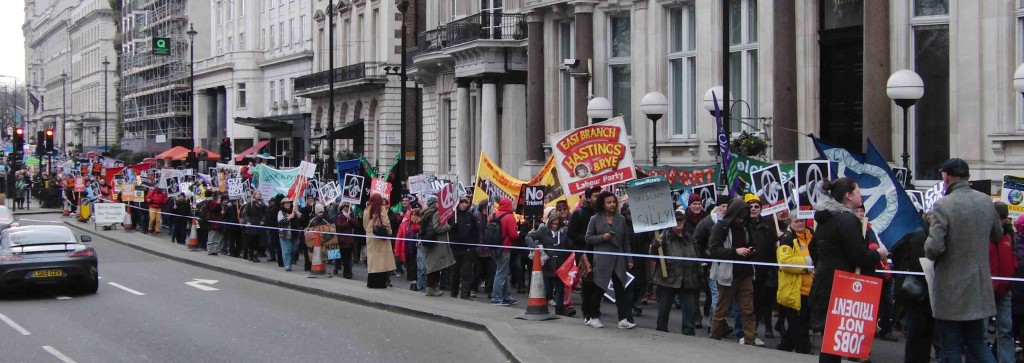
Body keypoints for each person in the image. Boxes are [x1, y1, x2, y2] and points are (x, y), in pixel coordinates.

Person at [923, 159, 1002, 363]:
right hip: (979, 287)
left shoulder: (943, 204)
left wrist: (931, 228)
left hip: (951, 290)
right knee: (978, 344)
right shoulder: (986, 201)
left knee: (951, 348)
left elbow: (933, 249)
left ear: (946, 177)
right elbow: (998, 233)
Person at [809, 178, 888, 363]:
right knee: (835, 342)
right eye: (858, 191)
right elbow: (858, 255)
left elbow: (813, 247)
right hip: (842, 286)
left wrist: (824, 265)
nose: (861, 195)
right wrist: (878, 255)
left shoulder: (826, 218)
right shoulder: (847, 219)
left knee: (831, 341)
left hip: (826, 280)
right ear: (848, 195)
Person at [707, 197, 758, 345]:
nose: (741, 220)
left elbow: (753, 244)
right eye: (739, 216)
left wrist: (751, 251)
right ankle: (714, 338)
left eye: (744, 217)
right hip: (727, 275)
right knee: (721, 309)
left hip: (745, 274)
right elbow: (714, 250)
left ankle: (750, 340)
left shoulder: (746, 227)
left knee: (748, 310)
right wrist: (736, 251)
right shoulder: (720, 227)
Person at [584, 191, 636, 329]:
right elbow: (588, 238)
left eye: (614, 202)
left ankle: (623, 319)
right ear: (602, 204)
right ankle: (593, 317)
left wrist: (629, 258)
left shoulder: (621, 219)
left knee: (620, 288)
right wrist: (602, 238)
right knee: (599, 288)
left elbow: (626, 242)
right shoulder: (595, 219)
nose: (612, 204)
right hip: (602, 257)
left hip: (618, 258)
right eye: (609, 202)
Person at [650, 210, 702, 335]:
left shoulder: (690, 237)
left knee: (689, 309)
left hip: (688, 279)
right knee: (664, 308)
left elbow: (697, 256)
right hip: (668, 278)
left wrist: (699, 273)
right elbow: (653, 257)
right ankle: (661, 331)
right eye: (676, 220)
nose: (678, 222)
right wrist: (655, 247)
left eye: (681, 220)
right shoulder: (663, 237)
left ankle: (689, 333)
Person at [892, 213, 934, 363]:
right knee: (918, 335)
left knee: (920, 335)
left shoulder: (919, 235)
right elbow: (920, 267)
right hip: (918, 293)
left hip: (918, 293)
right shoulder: (920, 238)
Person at [775, 212, 814, 354]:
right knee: (801, 331)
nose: (800, 223)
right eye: (797, 221)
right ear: (789, 222)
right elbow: (784, 262)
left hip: (810, 291)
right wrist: (808, 263)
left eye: (803, 220)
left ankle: (782, 349)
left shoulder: (812, 235)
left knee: (798, 327)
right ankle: (805, 354)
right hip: (794, 291)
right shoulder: (787, 239)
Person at [744, 194, 780, 340]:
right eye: (750, 207)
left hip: (766, 268)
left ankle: (768, 327)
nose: (753, 209)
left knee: (765, 299)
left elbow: (772, 246)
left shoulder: (767, 225)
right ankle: (750, 330)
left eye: (756, 206)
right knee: (749, 301)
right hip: (749, 268)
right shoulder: (743, 225)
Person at [526, 210, 570, 314]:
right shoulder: (543, 230)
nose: (555, 226)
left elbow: (569, 245)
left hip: (560, 264)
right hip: (547, 264)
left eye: (557, 224)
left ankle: (560, 311)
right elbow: (529, 237)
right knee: (547, 290)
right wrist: (535, 247)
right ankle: (543, 310)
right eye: (553, 224)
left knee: (560, 290)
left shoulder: (564, 232)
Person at [568, 187, 602, 323]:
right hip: (584, 254)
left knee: (598, 284)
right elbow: (571, 233)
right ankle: (587, 312)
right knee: (588, 284)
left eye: (600, 195)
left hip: (599, 253)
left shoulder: (602, 214)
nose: (598, 198)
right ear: (588, 198)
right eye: (595, 196)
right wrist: (588, 238)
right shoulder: (579, 214)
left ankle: (595, 311)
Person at [990, 202, 1016, 363]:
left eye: (1004, 218)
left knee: (1006, 330)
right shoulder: (984, 234)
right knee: (981, 333)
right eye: (1000, 218)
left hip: (1004, 289)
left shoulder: (1009, 235)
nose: (1002, 221)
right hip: (988, 288)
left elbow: (1013, 256)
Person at [621, 202, 653, 318]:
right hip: (626, 260)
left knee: (641, 284)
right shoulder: (621, 225)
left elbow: (648, 239)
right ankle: (629, 306)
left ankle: (637, 303)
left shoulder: (642, 225)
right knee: (629, 285)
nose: (631, 215)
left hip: (640, 258)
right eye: (629, 213)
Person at [420, 195, 457, 297]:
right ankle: (431, 288)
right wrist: (448, 226)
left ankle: (433, 287)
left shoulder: (426, 213)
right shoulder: (436, 213)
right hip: (435, 243)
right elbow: (437, 228)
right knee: (434, 266)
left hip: (429, 242)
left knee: (433, 265)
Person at [489, 197, 520, 306]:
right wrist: (518, 234)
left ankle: (506, 296)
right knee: (501, 273)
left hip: (494, 247)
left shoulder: (493, 215)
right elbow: (513, 234)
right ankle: (497, 297)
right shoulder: (509, 217)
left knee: (504, 272)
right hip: (505, 247)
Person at [363, 194, 396, 288]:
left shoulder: (366, 209)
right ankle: (380, 283)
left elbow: (364, 224)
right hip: (380, 237)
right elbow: (386, 222)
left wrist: (368, 231)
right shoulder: (381, 208)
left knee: (372, 260)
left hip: (370, 237)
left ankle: (371, 282)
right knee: (381, 261)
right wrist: (389, 232)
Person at [450, 197, 480, 300]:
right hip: (455, 248)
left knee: (466, 273)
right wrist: (452, 225)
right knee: (455, 272)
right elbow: (448, 230)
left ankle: (465, 293)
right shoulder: (453, 216)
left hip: (467, 249)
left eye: (465, 203)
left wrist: (473, 246)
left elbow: (475, 232)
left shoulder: (470, 216)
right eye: (461, 203)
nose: (463, 205)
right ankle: (453, 293)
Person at [334, 203, 358, 278]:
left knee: (348, 258)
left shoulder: (351, 216)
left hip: (350, 241)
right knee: (343, 257)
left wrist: (350, 219)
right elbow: (340, 226)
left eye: (348, 207)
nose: (347, 208)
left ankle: (348, 272)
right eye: (345, 207)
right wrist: (348, 222)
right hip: (342, 240)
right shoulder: (340, 216)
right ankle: (341, 270)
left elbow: (356, 224)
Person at [242, 192, 267, 262]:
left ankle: (255, 256)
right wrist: (247, 222)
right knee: (250, 240)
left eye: (260, 194)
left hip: (259, 224)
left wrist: (263, 220)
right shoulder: (250, 203)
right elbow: (245, 213)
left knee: (257, 241)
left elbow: (265, 213)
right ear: (254, 195)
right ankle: (250, 255)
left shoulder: (263, 204)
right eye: (257, 194)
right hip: (251, 224)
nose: (259, 195)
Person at [277, 198, 301, 271]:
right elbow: (280, 222)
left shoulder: (294, 211)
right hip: (285, 234)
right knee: (286, 251)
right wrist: (289, 217)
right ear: (283, 205)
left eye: (288, 203)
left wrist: (296, 213)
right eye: (286, 203)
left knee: (293, 249)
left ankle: (290, 261)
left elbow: (301, 218)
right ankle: (287, 265)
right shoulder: (281, 212)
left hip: (295, 234)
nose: (287, 204)